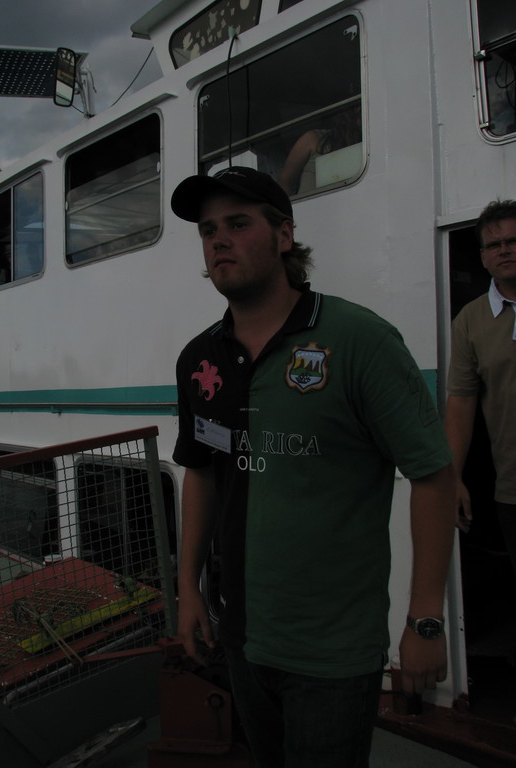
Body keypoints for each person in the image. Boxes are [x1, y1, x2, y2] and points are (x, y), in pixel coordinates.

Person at [170, 165, 456, 768]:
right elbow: (201, 472)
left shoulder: (357, 339)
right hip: (241, 636)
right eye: (208, 230)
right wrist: (188, 588)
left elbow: (432, 474)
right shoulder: (200, 358)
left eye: (238, 224)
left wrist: (425, 620)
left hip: (332, 651)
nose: (219, 240)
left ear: (284, 236)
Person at [445, 200, 516, 574]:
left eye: (513, 241)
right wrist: (453, 477)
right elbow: (461, 404)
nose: (505, 250)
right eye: (494, 245)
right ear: (483, 258)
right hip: (512, 489)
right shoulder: (469, 321)